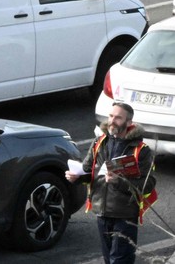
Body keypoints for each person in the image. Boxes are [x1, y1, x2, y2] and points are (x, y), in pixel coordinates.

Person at [67, 101, 157, 264]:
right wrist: (77, 177)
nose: (112, 121)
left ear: (129, 123)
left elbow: (148, 185)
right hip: (102, 212)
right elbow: (88, 171)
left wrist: (119, 182)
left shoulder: (141, 150)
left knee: (120, 260)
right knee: (109, 259)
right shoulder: (99, 142)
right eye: (111, 116)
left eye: (118, 118)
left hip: (125, 214)